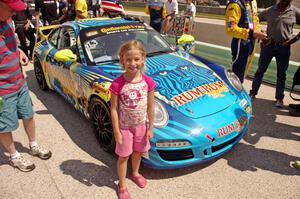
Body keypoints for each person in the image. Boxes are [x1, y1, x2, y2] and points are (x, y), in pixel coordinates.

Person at [0, 0, 52, 172]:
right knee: (4, 125)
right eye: (11, 9)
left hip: (19, 82)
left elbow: (11, 43)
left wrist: (19, 51)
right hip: (3, 91)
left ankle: (33, 145)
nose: (14, 13)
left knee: (28, 114)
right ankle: (14, 156)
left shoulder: (7, 20)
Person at [109, 40, 155, 199]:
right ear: (122, 60)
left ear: (142, 58)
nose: (132, 63)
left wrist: (151, 128)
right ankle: (122, 185)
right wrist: (116, 131)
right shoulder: (117, 84)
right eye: (128, 59)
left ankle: (135, 173)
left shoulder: (148, 82)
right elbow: (113, 109)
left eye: (136, 59)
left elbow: (150, 106)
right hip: (124, 127)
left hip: (141, 126)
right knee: (124, 156)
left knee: (138, 152)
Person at [249, 0, 300, 108]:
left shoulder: (294, 11)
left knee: (281, 74)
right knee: (260, 71)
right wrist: (259, 34)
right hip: (268, 46)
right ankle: (253, 93)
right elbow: (254, 20)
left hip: (284, 48)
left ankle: (279, 98)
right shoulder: (270, 10)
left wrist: (293, 40)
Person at [225, 0, 267, 83]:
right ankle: (235, 92)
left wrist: (258, 31)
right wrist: (252, 33)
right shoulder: (234, 5)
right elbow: (231, 29)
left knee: (244, 70)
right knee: (238, 72)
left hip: (251, 40)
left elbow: (254, 20)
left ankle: (239, 87)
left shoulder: (252, 2)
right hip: (241, 41)